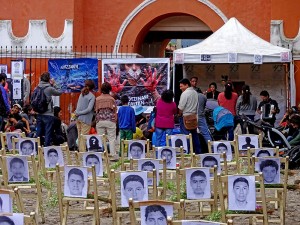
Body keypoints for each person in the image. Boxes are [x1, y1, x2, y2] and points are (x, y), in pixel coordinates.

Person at [35, 72, 62, 147]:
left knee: (38, 132)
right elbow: (60, 92)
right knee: (48, 132)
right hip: (48, 113)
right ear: (48, 79)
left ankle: (36, 149)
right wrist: (54, 84)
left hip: (39, 113)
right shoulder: (49, 88)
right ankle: (46, 149)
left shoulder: (37, 87)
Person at [95, 82, 118, 160]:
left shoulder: (97, 99)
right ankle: (112, 155)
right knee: (112, 138)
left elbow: (96, 110)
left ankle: (101, 155)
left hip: (100, 120)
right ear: (109, 90)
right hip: (110, 120)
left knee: (101, 138)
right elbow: (115, 110)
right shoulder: (112, 99)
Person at [178, 78, 201, 154]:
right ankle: (198, 151)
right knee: (194, 134)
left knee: (186, 135)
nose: (180, 88)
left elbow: (181, 107)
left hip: (186, 116)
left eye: (181, 86)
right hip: (194, 116)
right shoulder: (195, 92)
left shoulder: (184, 94)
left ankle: (187, 152)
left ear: (186, 85)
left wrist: (179, 114)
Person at [75, 79, 96, 152]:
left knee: (79, 136)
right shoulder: (92, 96)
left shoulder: (82, 94)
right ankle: (82, 152)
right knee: (83, 137)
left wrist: (77, 113)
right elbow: (89, 109)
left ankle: (80, 150)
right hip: (86, 119)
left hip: (78, 118)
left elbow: (78, 106)